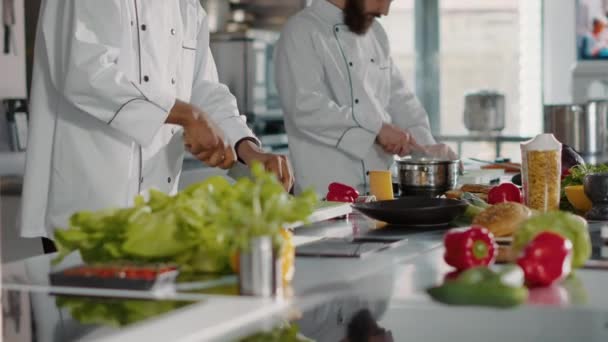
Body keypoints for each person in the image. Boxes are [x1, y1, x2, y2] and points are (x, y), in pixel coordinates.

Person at [21, 0, 293, 250]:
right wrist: (187, 116)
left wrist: (246, 148)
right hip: (87, 207)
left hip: (155, 212)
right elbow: (83, 70)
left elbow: (204, 88)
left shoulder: (185, 5)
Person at [275, 0, 457, 195]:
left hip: (380, 190)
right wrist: (376, 129)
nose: (385, 10)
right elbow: (305, 107)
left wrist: (429, 150)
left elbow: (400, 100)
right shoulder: (301, 31)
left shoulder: (376, 34)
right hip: (326, 195)